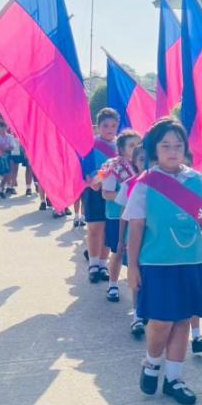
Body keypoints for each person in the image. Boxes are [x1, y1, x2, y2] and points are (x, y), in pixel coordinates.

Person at [124, 117, 202, 405]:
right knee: (161, 321)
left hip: (191, 261)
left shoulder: (196, 180)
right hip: (157, 264)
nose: (173, 151)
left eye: (178, 145)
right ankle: (152, 362)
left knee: (182, 320)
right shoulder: (145, 184)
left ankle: (174, 379)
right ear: (154, 150)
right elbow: (136, 227)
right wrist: (133, 267)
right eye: (166, 146)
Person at [101, 130, 141, 303]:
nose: (136, 148)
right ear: (122, 149)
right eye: (132, 145)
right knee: (118, 251)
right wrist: (127, 197)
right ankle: (113, 284)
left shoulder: (143, 165)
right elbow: (106, 193)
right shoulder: (114, 167)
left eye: (138, 144)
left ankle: (138, 287)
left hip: (137, 218)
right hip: (117, 216)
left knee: (137, 252)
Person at [84, 108, 120, 283]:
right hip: (94, 190)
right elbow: (84, 165)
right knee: (94, 229)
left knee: (107, 229)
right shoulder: (90, 144)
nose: (109, 129)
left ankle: (103, 264)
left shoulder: (120, 145)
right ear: (98, 127)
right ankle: (93, 265)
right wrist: (91, 179)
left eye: (113, 125)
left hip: (112, 193)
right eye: (105, 125)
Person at [116, 143, 147, 337]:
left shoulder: (162, 184)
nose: (146, 163)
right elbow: (124, 216)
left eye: (149, 159)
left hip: (153, 241)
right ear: (134, 162)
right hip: (134, 240)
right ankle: (136, 315)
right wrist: (121, 240)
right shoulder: (130, 184)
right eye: (142, 159)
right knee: (136, 277)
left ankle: (148, 311)